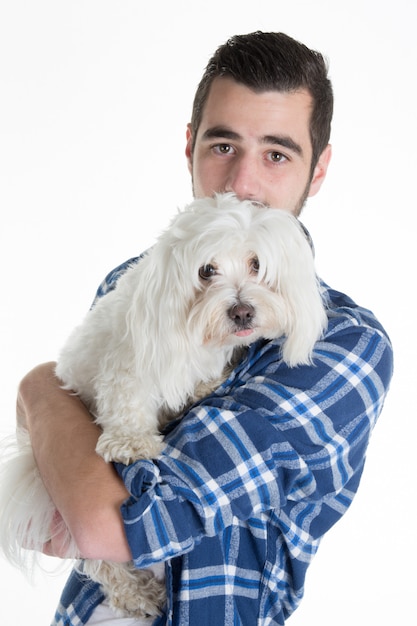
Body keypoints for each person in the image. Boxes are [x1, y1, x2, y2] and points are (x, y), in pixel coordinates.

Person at [17, 31, 393, 625]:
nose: (242, 182)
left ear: (317, 169)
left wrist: (38, 390)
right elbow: (56, 522)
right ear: (190, 146)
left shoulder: (346, 347)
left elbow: (107, 524)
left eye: (277, 153)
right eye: (223, 145)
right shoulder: (130, 283)